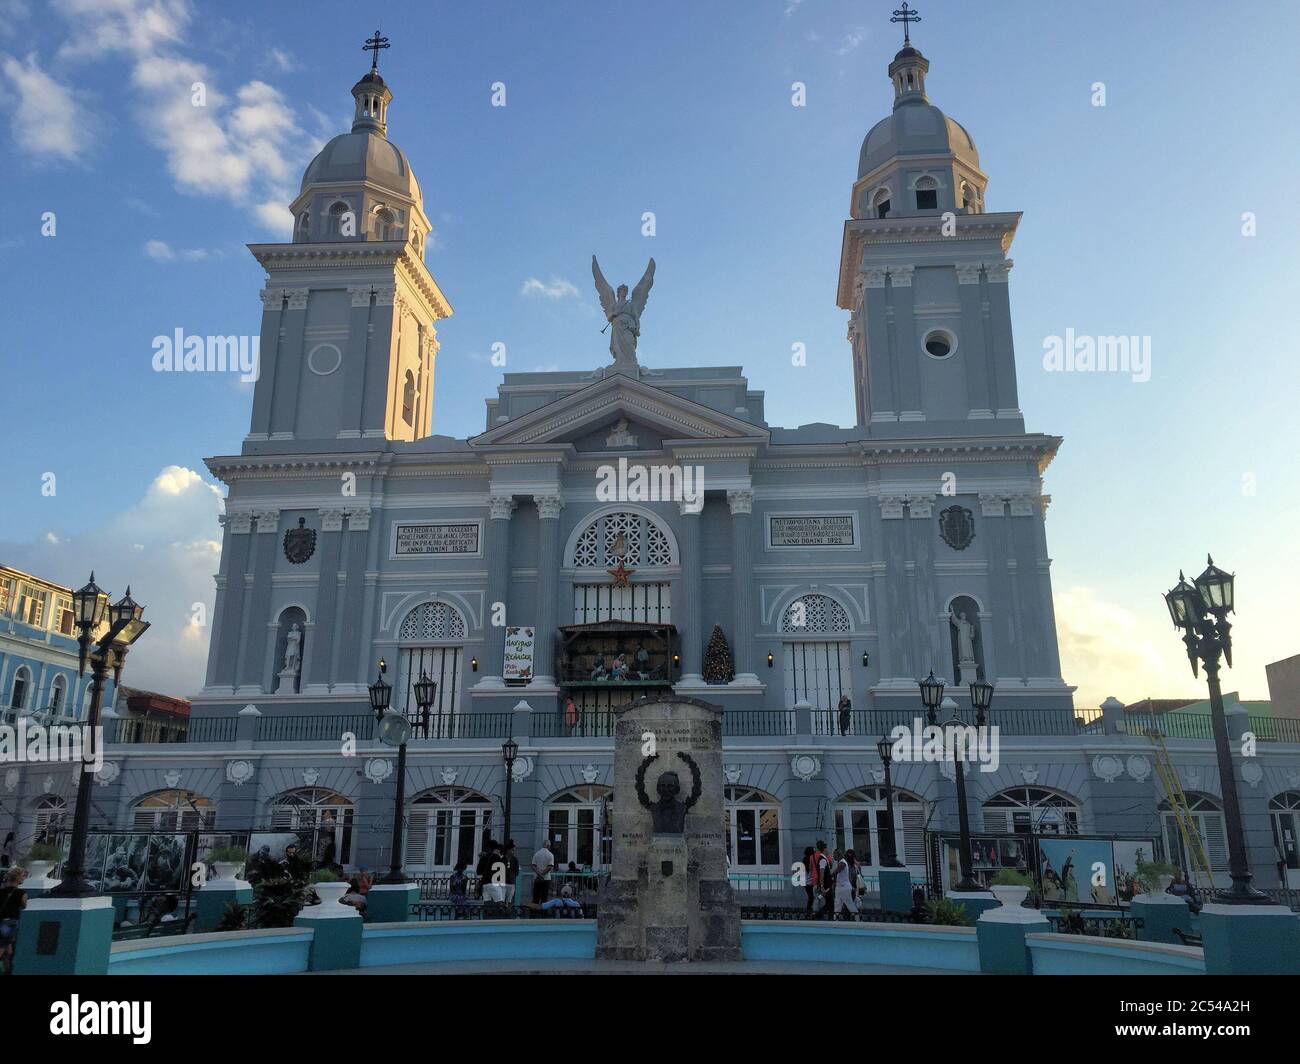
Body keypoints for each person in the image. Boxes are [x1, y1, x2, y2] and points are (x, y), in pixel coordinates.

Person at [0, 867, 28, 974]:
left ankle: (8, 971)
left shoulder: (1, 891)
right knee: (2, 947)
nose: (24, 878)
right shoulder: (21, 893)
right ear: (17, 878)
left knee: (8, 950)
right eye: (23, 876)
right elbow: (24, 905)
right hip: (10, 922)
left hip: (1, 921)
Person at [476, 838, 505, 902]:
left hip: (485, 884)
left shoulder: (483, 857)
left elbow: (478, 871)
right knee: (500, 902)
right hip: (494, 883)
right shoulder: (497, 857)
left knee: (487, 904)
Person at [531, 838, 555, 904]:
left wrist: (539, 874)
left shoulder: (537, 854)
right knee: (544, 897)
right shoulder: (550, 855)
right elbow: (549, 867)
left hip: (537, 878)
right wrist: (542, 874)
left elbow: (533, 866)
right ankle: (543, 912)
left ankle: (534, 911)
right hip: (546, 879)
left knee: (536, 897)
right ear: (548, 846)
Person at [502, 840, 519, 905]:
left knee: (509, 901)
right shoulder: (503, 859)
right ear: (508, 850)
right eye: (512, 850)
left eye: (514, 850)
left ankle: (508, 911)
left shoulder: (515, 860)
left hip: (511, 882)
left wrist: (512, 875)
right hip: (503, 882)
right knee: (502, 900)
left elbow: (516, 871)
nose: (513, 852)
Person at [801, 846, 817, 914]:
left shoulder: (806, 859)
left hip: (808, 881)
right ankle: (809, 911)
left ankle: (810, 910)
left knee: (812, 897)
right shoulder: (808, 860)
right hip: (808, 881)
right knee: (811, 897)